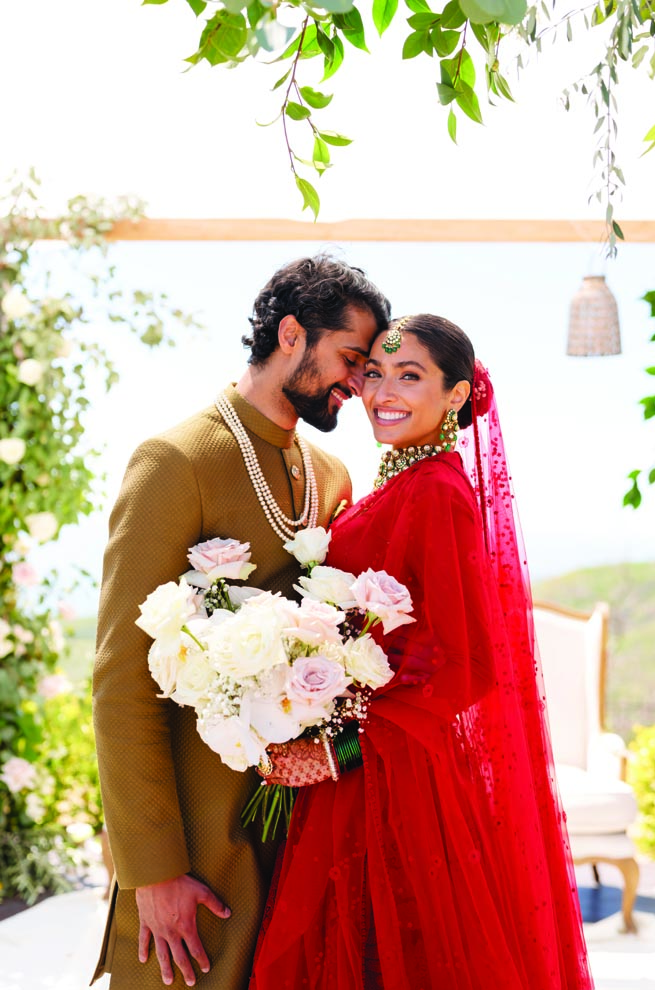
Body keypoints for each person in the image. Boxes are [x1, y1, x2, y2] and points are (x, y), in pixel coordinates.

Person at [250, 314, 594, 989]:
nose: (384, 392)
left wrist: (335, 752)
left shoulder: (439, 492)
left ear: (457, 395)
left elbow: (467, 668)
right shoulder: (401, 482)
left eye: (410, 376)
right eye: (374, 373)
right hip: (367, 767)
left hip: (392, 778)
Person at [91, 256, 391, 990]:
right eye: (350, 358)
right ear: (292, 334)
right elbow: (121, 680)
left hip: (303, 840)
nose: (358, 382)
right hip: (197, 851)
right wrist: (153, 872)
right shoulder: (174, 461)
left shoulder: (330, 474)